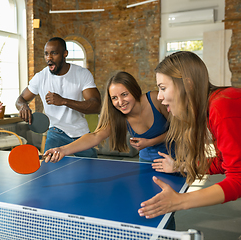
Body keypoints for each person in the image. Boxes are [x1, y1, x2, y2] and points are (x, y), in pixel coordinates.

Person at [138, 51, 241, 219]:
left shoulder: (221, 107)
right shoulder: (211, 108)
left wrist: (179, 201)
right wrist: (181, 166)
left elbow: (238, 179)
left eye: (163, 88)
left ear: (188, 85)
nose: (159, 96)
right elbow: (224, 163)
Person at [43, 71, 174, 164]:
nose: (120, 102)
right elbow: (95, 136)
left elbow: (182, 129)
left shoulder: (156, 99)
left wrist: (150, 142)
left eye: (124, 94)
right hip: (147, 162)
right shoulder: (118, 115)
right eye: (114, 98)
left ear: (134, 90)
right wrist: (62, 150)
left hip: (176, 159)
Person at [15, 37, 101, 158]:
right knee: (49, 173)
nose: (49, 58)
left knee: (92, 171)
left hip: (80, 134)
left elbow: (96, 105)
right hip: (55, 133)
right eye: (46, 54)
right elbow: (20, 99)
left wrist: (64, 101)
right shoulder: (40, 77)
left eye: (54, 53)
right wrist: (23, 106)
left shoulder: (82, 74)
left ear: (65, 54)